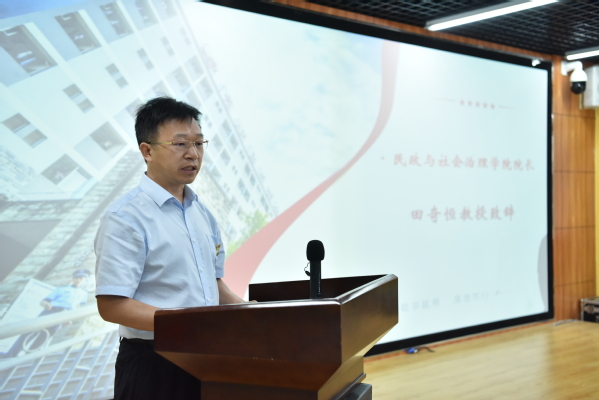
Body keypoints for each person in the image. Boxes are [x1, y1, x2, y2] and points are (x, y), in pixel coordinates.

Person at [94, 97, 247, 400]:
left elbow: (213, 284)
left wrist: (254, 313)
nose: (193, 154)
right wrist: (189, 324)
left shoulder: (203, 214)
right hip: (153, 363)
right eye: (180, 144)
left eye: (199, 143)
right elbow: (111, 305)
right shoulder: (125, 217)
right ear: (147, 151)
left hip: (207, 355)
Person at [2, 269, 90, 358]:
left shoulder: (84, 294)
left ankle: (28, 358)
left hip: (64, 315)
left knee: (44, 337)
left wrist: (70, 319)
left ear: (85, 280)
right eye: (76, 278)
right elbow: (43, 301)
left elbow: (77, 307)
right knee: (30, 333)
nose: (78, 280)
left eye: (81, 278)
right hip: (51, 311)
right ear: (73, 279)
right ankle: (10, 355)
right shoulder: (62, 289)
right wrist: (46, 304)